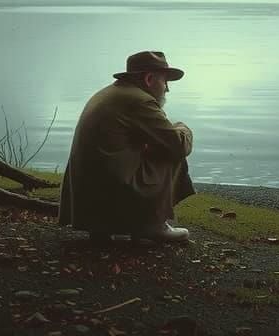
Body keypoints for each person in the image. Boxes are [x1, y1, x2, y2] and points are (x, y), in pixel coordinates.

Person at [58, 50, 195, 243]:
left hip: (89, 199)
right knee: (171, 152)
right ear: (149, 79)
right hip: (113, 190)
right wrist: (183, 128)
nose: (167, 89)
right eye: (165, 81)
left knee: (157, 146)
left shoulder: (110, 93)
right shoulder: (140, 100)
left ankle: (103, 228)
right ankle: (153, 225)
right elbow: (178, 145)